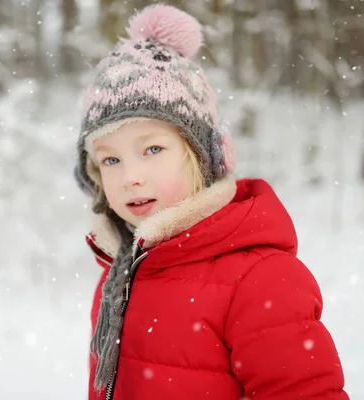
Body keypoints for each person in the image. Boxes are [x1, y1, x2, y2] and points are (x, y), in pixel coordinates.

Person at [73, 4, 349, 400]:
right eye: (111, 159)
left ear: (205, 156)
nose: (130, 176)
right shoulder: (120, 274)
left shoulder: (258, 279)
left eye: (152, 148)